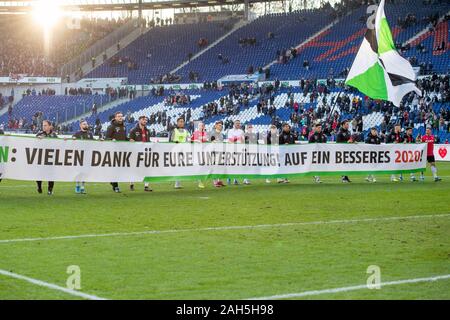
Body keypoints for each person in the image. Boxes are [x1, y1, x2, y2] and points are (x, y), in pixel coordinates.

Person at [105, 111, 128, 193]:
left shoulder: (124, 127)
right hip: (113, 150)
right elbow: (106, 138)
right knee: (115, 168)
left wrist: (130, 140)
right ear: (115, 117)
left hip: (122, 150)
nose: (120, 117)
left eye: (121, 116)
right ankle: (116, 186)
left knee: (119, 169)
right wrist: (112, 139)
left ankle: (112, 181)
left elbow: (125, 138)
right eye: (118, 116)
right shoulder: (111, 127)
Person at [129, 116, 152, 192]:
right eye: (143, 120)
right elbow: (130, 140)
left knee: (147, 169)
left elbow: (148, 141)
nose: (145, 121)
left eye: (146, 120)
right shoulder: (133, 130)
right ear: (139, 120)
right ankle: (131, 184)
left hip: (145, 152)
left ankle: (146, 186)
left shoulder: (147, 130)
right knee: (134, 169)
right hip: (136, 153)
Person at [36, 120, 58, 195]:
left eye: (45, 125)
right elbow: (33, 144)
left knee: (51, 175)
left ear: (50, 126)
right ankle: (39, 187)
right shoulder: (39, 134)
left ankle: (50, 189)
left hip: (51, 158)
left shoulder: (54, 135)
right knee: (39, 174)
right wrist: (38, 140)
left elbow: (58, 144)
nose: (43, 127)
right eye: (43, 125)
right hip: (41, 157)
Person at [72, 120, 94, 194]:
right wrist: (73, 139)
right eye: (84, 124)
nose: (86, 125)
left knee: (86, 172)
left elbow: (94, 142)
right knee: (80, 171)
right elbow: (72, 141)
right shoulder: (77, 133)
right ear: (80, 125)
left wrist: (99, 141)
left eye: (86, 124)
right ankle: (77, 185)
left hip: (88, 155)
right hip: (79, 156)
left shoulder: (90, 134)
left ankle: (82, 186)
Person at [169, 117, 191, 189]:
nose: (182, 123)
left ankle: (178, 182)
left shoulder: (186, 131)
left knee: (181, 167)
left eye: (183, 121)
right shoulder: (174, 131)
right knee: (177, 167)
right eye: (180, 121)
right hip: (175, 151)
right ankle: (176, 182)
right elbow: (170, 141)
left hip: (184, 151)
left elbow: (188, 140)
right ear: (177, 122)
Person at [227, 120, 248, 185]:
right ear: (234, 124)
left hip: (239, 149)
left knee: (239, 165)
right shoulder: (230, 131)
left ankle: (235, 179)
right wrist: (238, 138)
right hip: (232, 149)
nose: (238, 125)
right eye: (237, 123)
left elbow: (243, 141)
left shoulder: (241, 131)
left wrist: (238, 140)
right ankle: (230, 178)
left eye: (239, 123)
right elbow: (230, 140)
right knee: (232, 165)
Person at [191, 122, 208, 189]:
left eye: (203, 125)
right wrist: (196, 140)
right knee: (198, 166)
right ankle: (199, 181)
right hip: (197, 152)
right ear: (198, 126)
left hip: (204, 152)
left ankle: (199, 179)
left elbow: (207, 141)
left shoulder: (206, 133)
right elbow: (190, 140)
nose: (202, 126)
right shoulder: (195, 133)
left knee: (203, 167)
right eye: (201, 125)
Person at [209, 121, 225, 187]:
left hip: (219, 152)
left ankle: (219, 180)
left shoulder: (221, 134)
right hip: (213, 151)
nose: (220, 127)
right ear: (215, 126)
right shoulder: (213, 133)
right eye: (219, 125)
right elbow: (211, 141)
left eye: (221, 126)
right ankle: (215, 181)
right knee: (214, 167)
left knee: (220, 167)